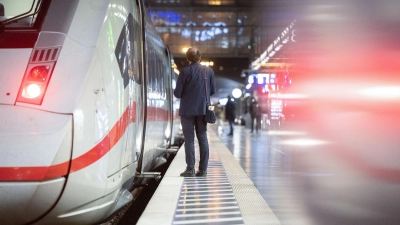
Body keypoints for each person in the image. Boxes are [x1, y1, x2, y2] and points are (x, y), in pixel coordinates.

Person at [173, 47, 216, 177]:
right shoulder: (208, 71)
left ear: (188, 58)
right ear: (200, 57)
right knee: (202, 138)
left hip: (187, 110)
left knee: (189, 140)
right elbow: (212, 91)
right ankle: (203, 169)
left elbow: (178, 93)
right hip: (203, 109)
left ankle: (190, 169)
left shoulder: (184, 72)